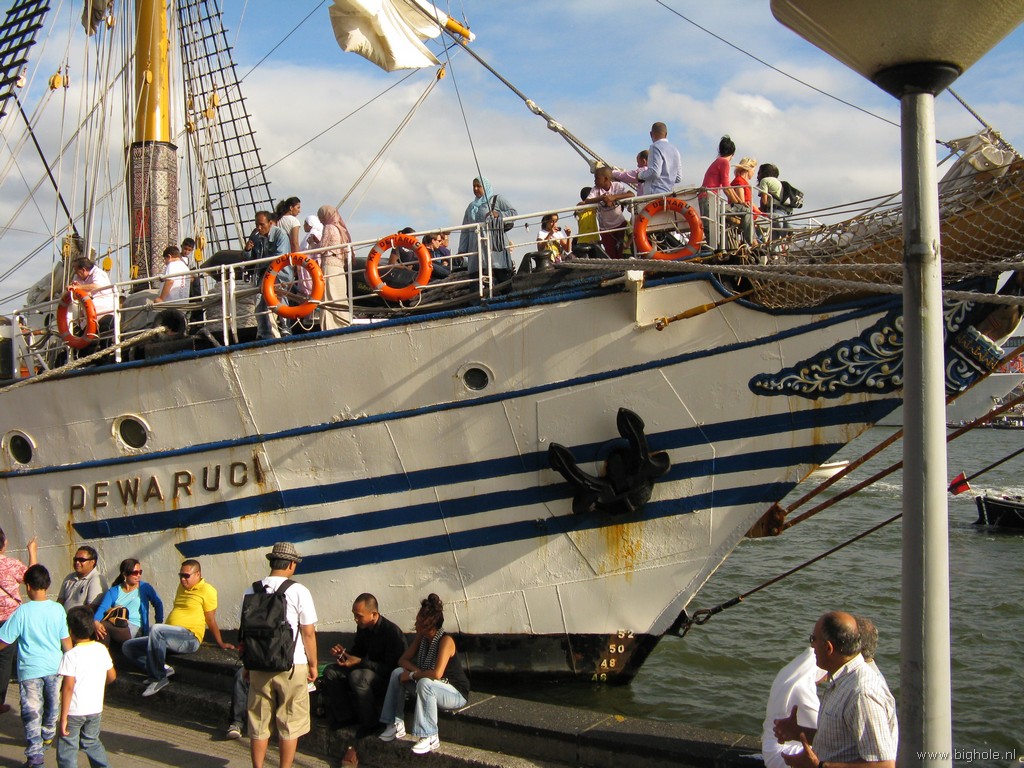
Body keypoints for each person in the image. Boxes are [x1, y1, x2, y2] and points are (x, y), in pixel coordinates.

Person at [774, 611, 898, 768]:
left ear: (828, 647)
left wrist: (819, 766)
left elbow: (884, 765)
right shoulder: (842, 680)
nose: (812, 646)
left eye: (813, 639)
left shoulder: (862, 693)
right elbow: (842, 741)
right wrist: (798, 732)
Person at [244, 543, 318, 768]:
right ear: (292, 564)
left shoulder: (251, 590)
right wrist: (313, 664)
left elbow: (245, 633)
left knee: (259, 722)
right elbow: (308, 633)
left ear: (272, 562)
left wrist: (247, 665)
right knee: (290, 722)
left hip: (258, 663)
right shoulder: (299, 591)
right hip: (292, 664)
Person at [121, 559, 234, 697]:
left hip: (189, 638)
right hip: (169, 636)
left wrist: (221, 642)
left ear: (198, 574)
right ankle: (163, 669)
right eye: (180, 575)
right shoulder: (181, 587)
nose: (182, 579)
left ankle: (158, 678)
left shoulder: (208, 590)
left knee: (156, 629)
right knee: (128, 647)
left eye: (186, 576)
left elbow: (210, 619)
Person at [378, 594, 469, 755]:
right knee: (397, 673)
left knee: (425, 683)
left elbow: (437, 674)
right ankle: (395, 723)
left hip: (454, 692)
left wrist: (413, 676)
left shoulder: (446, 641)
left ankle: (430, 735)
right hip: (431, 686)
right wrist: (416, 672)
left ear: (428, 624)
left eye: (419, 622)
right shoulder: (422, 637)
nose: (415, 624)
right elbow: (402, 660)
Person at [0, 564, 72, 767]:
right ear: (47, 585)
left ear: (29, 586)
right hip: (55, 668)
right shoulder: (58, 609)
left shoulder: (22, 611)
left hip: (30, 670)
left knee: (31, 712)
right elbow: (66, 640)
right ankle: (48, 735)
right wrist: (73, 661)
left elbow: (4, 639)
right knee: (52, 706)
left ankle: (35, 755)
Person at [318, 593, 406, 736]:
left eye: (359, 616)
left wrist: (360, 662)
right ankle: (345, 717)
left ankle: (371, 723)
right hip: (366, 670)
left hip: (386, 679)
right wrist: (344, 655)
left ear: (374, 614)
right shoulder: (363, 627)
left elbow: (391, 669)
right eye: (354, 615)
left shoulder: (391, 633)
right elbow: (357, 653)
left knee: (358, 676)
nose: (355, 619)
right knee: (330, 671)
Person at [57, 606, 115, 768]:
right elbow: (112, 676)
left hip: (74, 710)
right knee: (91, 742)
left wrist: (63, 717)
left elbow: (68, 688)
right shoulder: (101, 649)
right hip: (95, 708)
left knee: (68, 746)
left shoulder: (70, 655)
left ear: (70, 631)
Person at [762, 646, 824, 768]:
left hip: (770, 746)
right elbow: (824, 731)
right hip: (783, 751)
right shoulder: (801, 688)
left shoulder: (787, 677)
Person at [0, 531, 37, 715]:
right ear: (4, 543)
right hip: (9, 620)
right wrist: (32, 552)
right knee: (4, 661)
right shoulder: (11, 564)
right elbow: (34, 578)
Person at [456, 176, 517, 281]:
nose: (475, 189)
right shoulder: (471, 207)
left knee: (501, 278)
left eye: (478, 186)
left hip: (495, 249)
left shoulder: (497, 200)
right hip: (476, 252)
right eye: (474, 186)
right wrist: (462, 250)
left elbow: (513, 213)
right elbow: (465, 230)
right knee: (476, 281)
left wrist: (499, 214)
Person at [93, 558, 164, 645]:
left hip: (136, 628)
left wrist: (158, 624)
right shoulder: (114, 591)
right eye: (135, 573)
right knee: (100, 628)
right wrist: (95, 622)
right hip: (118, 625)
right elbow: (103, 607)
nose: (138, 575)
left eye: (140, 572)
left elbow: (158, 604)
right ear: (125, 574)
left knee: (104, 625)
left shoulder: (144, 588)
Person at [246, 211, 293, 340]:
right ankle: (264, 332)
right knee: (259, 299)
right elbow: (250, 259)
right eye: (257, 225)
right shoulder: (255, 236)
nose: (259, 228)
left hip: (279, 273)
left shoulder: (280, 234)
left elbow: (280, 257)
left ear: (270, 223)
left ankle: (286, 328)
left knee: (279, 296)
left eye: (262, 224)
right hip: (263, 273)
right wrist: (247, 250)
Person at [581, 167, 633, 259]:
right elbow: (588, 201)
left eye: (597, 178)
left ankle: (621, 265)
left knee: (620, 250)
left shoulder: (617, 186)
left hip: (620, 224)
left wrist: (614, 197)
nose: (594, 181)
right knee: (610, 253)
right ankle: (616, 267)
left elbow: (631, 194)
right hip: (605, 228)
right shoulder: (595, 189)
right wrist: (602, 198)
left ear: (605, 179)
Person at [317, 205, 353, 331]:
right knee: (339, 295)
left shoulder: (328, 227)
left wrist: (313, 243)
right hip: (339, 267)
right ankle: (343, 321)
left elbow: (322, 247)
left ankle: (330, 326)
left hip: (329, 266)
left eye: (320, 216)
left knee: (329, 295)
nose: (320, 220)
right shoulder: (340, 228)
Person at [69, 258, 117, 344]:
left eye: (76, 270)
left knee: (104, 339)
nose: (75, 273)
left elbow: (96, 286)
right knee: (83, 345)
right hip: (88, 319)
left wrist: (79, 288)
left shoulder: (98, 273)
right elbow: (74, 294)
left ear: (83, 270)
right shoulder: (77, 277)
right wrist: (76, 289)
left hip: (105, 314)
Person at [699, 135, 741, 229]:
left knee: (713, 230)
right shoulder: (724, 162)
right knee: (712, 230)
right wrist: (738, 203)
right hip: (709, 199)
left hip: (705, 198)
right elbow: (726, 187)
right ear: (733, 153)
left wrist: (739, 201)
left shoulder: (718, 161)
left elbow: (728, 186)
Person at [637, 121, 682, 196]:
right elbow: (678, 178)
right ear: (666, 134)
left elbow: (654, 172)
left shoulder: (655, 147)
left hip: (654, 194)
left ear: (651, 134)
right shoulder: (675, 150)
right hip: (668, 194)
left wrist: (640, 175)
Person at [57, 546, 107, 613]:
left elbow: (92, 608)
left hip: (81, 619)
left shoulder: (96, 579)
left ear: (92, 562)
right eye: (75, 559)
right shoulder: (69, 577)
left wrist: (74, 618)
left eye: (81, 560)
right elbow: (60, 601)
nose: (77, 562)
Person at [730, 156, 761, 246]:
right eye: (753, 170)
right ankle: (755, 242)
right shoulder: (739, 181)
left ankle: (759, 243)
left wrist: (760, 213)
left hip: (749, 212)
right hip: (742, 211)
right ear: (748, 169)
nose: (754, 173)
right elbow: (741, 201)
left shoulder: (744, 183)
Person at [757, 163, 789, 241]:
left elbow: (764, 201)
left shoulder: (765, 180)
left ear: (764, 173)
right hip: (784, 212)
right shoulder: (779, 183)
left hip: (774, 212)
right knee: (774, 240)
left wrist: (759, 211)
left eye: (759, 173)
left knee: (786, 237)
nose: (757, 176)